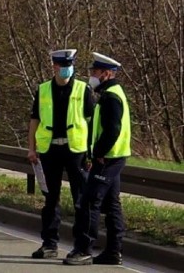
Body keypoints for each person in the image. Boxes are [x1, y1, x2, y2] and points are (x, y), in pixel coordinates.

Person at [65, 52, 130, 266]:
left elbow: (113, 129)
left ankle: (83, 249)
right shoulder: (111, 93)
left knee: (89, 201)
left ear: (107, 73)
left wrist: (99, 153)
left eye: (95, 71)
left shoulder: (111, 96)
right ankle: (113, 251)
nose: (91, 75)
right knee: (112, 204)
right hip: (114, 157)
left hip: (108, 158)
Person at [27, 49, 94, 259]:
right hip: (50, 150)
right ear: (55, 66)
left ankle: (82, 246)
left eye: (70, 64)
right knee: (50, 199)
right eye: (64, 65)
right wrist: (31, 148)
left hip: (76, 151)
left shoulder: (84, 90)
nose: (67, 68)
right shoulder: (43, 89)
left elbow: (93, 123)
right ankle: (49, 243)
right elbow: (34, 120)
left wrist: (91, 152)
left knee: (81, 200)